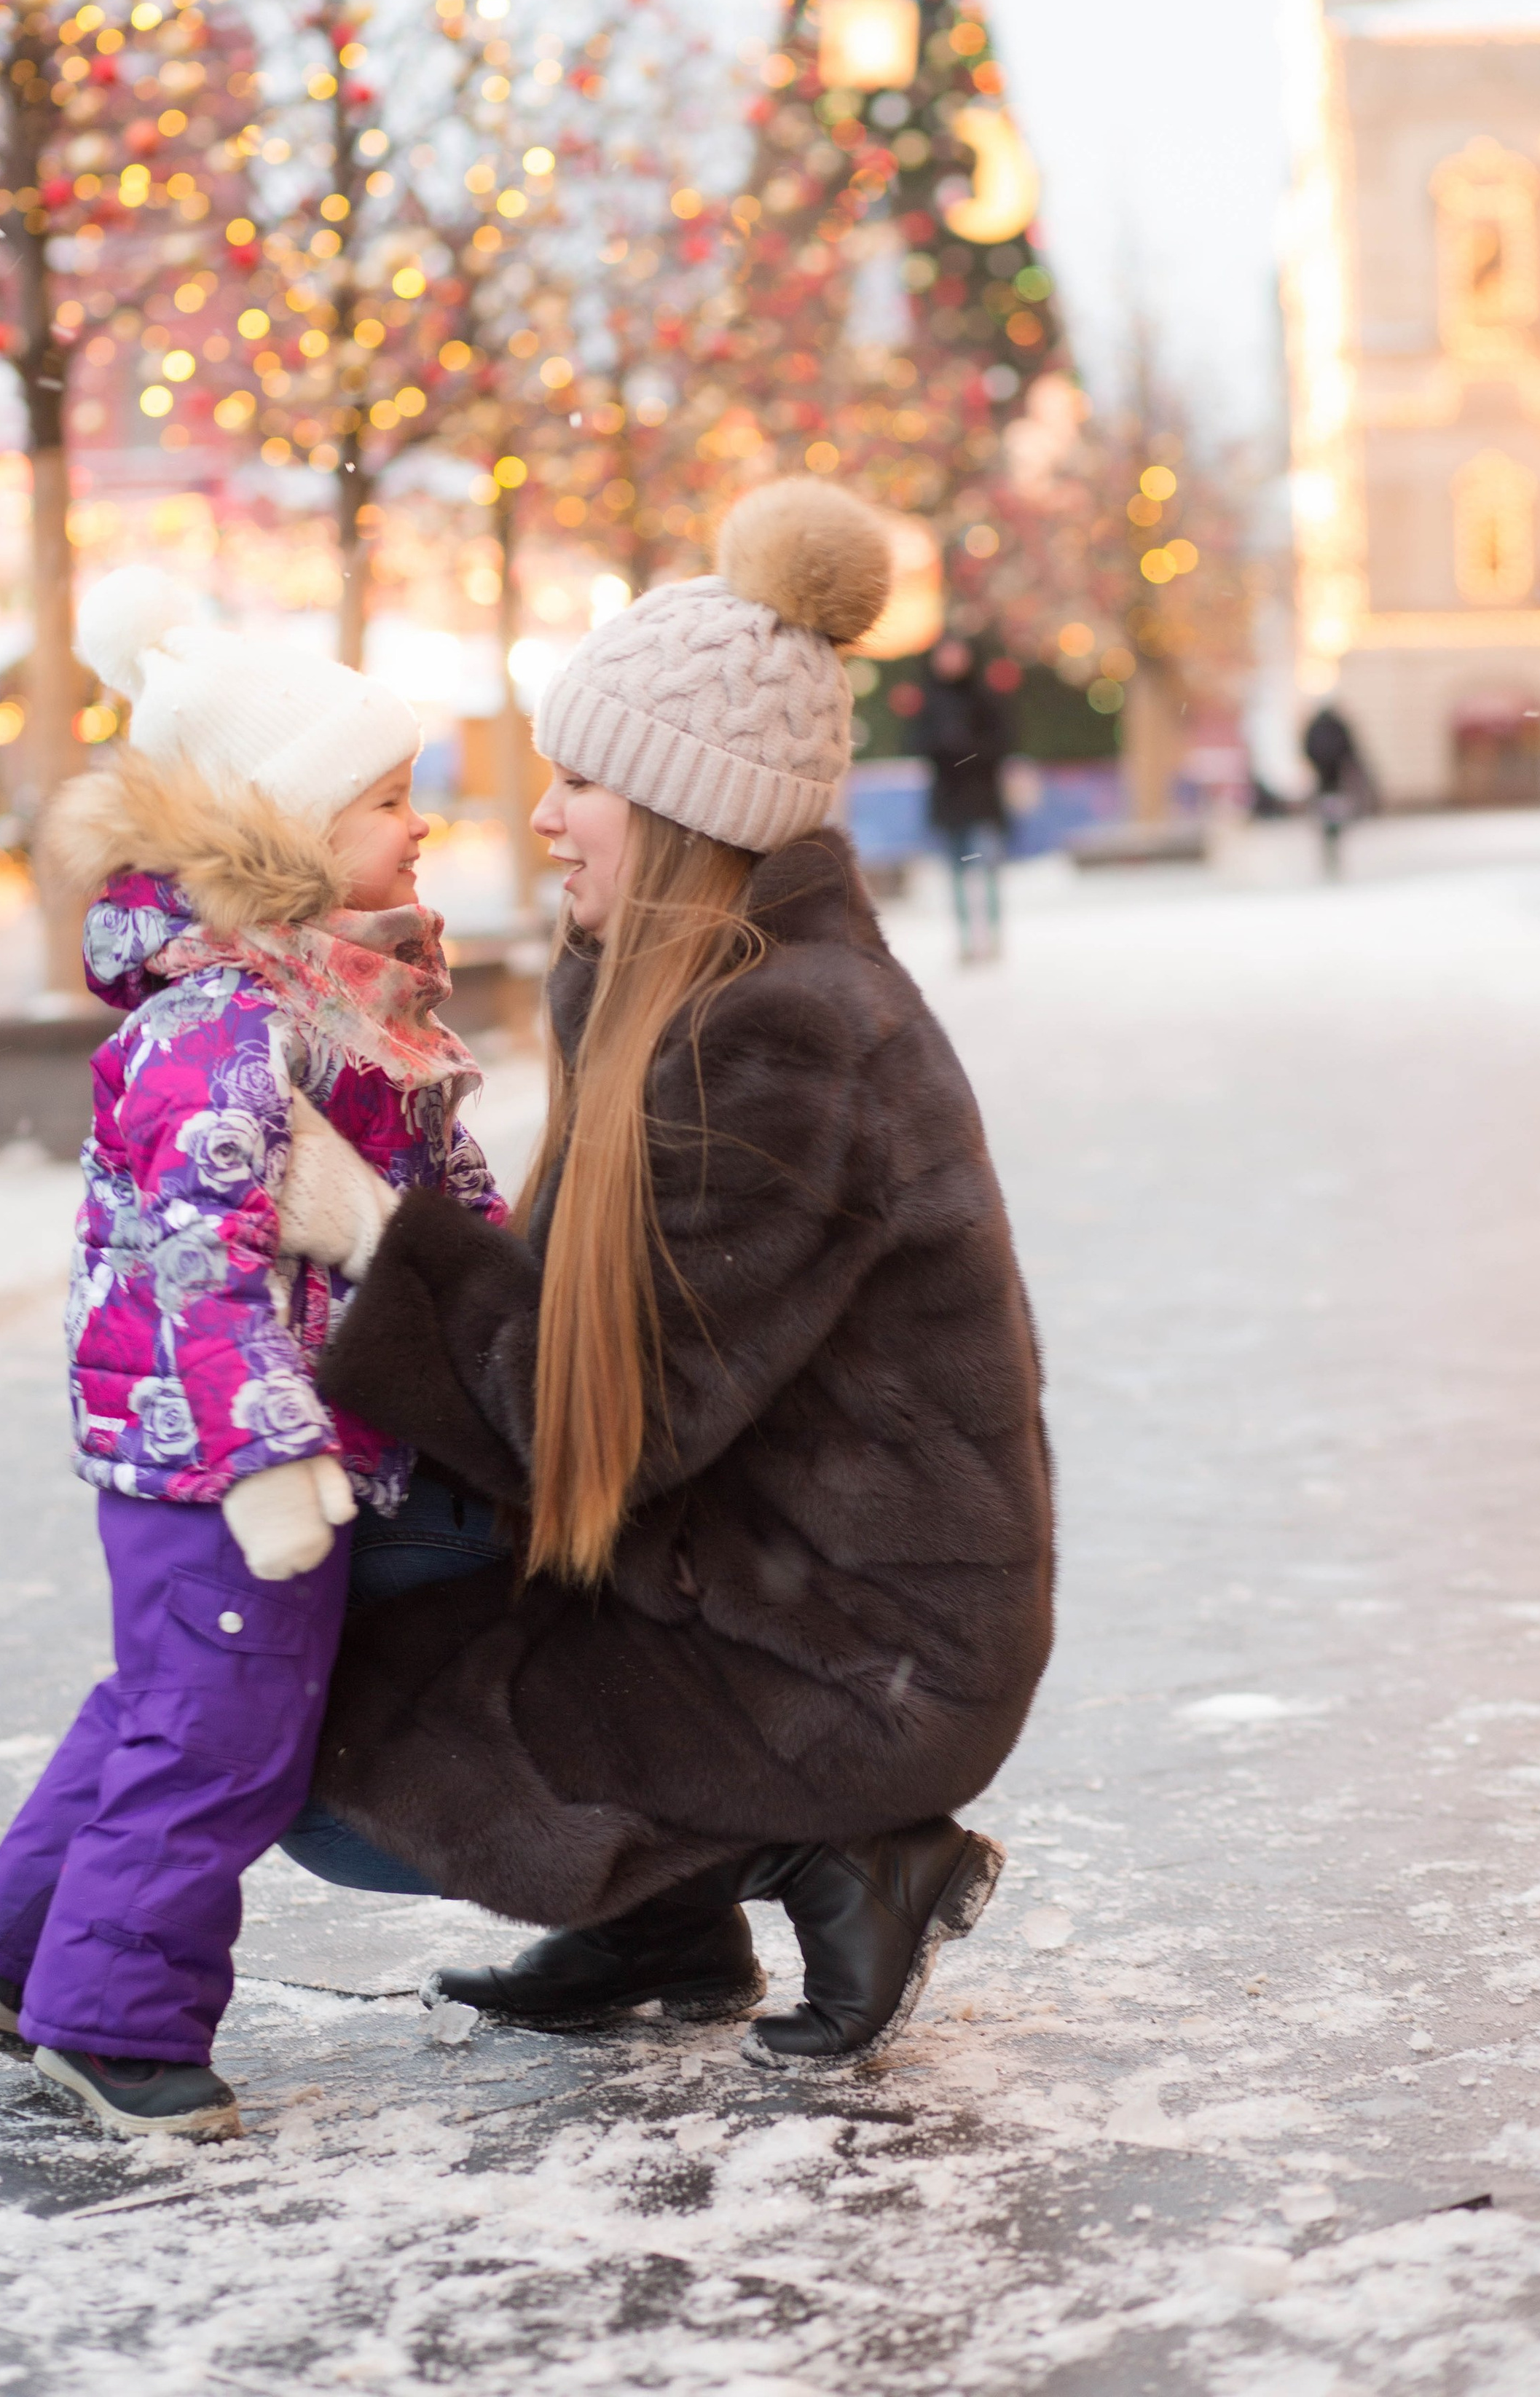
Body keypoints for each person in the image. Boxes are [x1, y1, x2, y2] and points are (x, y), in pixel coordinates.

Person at [300, 478, 1058, 2070]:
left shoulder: (761, 1041)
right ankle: (663, 1917)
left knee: (322, 1746)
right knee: (345, 1634)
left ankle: (843, 1853)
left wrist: (374, 1234)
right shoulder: (687, 996)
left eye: (581, 778)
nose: (544, 811)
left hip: (852, 1653)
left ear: (679, 805)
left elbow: (620, 1421)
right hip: (767, 1587)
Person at [0, 568, 505, 2141]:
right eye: (386, 801)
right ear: (286, 835)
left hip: (265, 1449)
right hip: (221, 1466)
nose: (419, 824)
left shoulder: (350, 1005)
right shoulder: (217, 1035)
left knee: (154, 1706)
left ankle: (17, 1957)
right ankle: (115, 2029)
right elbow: (193, 1269)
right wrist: (262, 1454)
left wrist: (505, 1285)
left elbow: (439, 1196)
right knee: (222, 1743)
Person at [909, 635, 1013, 962]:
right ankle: (966, 941)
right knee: (956, 874)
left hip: (982, 800)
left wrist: (966, 751)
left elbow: (1002, 742)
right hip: (949, 802)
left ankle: (993, 938)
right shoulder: (931, 700)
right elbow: (917, 744)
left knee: (988, 870)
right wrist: (945, 748)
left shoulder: (984, 697)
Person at [1302, 703, 1376, 878]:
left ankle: (1330, 846)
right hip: (1336, 781)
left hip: (1324, 782)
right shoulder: (1337, 726)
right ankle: (1333, 845)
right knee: (1334, 815)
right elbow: (1350, 749)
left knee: (1327, 816)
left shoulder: (1316, 727)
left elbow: (1307, 749)